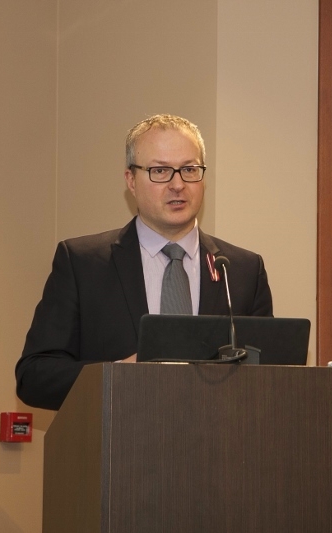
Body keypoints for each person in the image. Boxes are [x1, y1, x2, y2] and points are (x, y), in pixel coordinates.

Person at [15, 114, 273, 410]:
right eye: (160, 171)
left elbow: (271, 377)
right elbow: (35, 376)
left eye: (189, 169)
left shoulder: (241, 271)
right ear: (131, 180)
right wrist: (117, 375)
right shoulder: (83, 264)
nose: (178, 184)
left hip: (219, 436)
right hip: (120, 436)